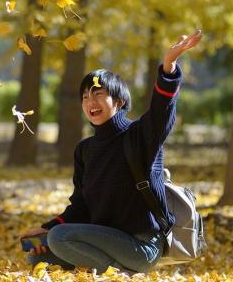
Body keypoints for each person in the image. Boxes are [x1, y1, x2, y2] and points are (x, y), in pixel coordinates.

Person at [20, 30, 203, 274]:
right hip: (103, 240)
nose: (90, 102)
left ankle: (122, 275)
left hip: (141, 245)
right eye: (85, 97)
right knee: (39, 259)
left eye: (98, 94)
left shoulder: (139, 136)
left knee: (60, 238)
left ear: (118, 101)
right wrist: (47, 228)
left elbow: (162, 112)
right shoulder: (84, 150)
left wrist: (168, 67)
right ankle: (107, 272)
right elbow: (81, 206)